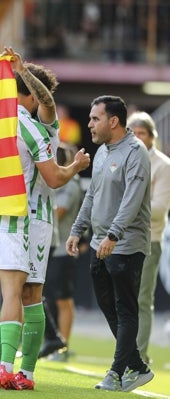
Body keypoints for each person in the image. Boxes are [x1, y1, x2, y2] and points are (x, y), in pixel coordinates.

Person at [0, 48, 90, 390]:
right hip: (5, 214)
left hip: (35, 218)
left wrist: (24, 73)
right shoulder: (12, 120)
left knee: (29, 292)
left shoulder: (44, 120)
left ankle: (25, 371)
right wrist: (75, 167)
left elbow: (45, 101)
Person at [67, 95, 153, 392]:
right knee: (108, 306)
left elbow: (132, 201)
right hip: (98, 244)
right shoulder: (102, 151)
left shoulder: (135, 152)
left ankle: (116, 372)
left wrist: (113, 235)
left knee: (125, 309)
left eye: (95, 119)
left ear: (113, 121)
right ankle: (138, 366)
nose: (89, 124)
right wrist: (78, 229)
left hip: (125, 244)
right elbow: (92, 195)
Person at [127, 111, 170, 366]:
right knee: (121, 299)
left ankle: (139, 354)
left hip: (149, 238)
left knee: (142, 298)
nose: (138, 138)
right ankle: (125, 352)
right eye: (133, 133)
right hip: (120, 237)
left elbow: (160, 208)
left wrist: (128, 207)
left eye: (142, 133)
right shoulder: (122, 158)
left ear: (152, 137)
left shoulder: (163, 166)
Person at [41, 142, 85, 361]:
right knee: (47, 297)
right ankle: (51, 341)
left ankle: (63, 346)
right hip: (50, 247)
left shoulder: (70, 183)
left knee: (63, 299)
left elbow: (58, 212)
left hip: (63, 249)